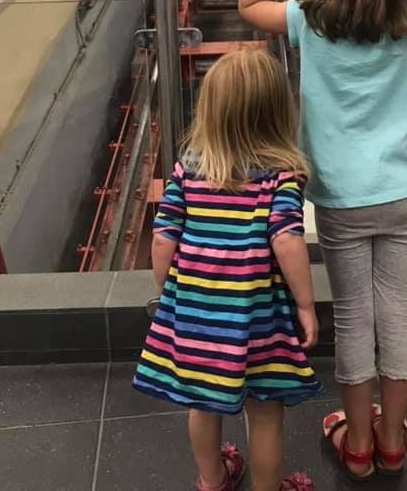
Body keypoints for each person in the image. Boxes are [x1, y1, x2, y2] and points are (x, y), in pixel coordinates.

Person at [238, 0, 407, 481]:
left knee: (355, 315)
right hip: (404, 188)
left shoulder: (310, 17)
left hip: (338, 195)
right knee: (398, 312)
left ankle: (356, 444)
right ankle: (392, 440)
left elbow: (248, 6)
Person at [132, 48, 323, 491]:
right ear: (278, 112)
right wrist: (306, 304)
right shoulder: (282, 174)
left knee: (203, 404)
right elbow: (287, 239)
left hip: (196, 313)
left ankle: (212, 479)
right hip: (258, 316)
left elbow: (162, 237)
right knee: (266, 411)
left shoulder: (189, 170)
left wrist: (170, 296)